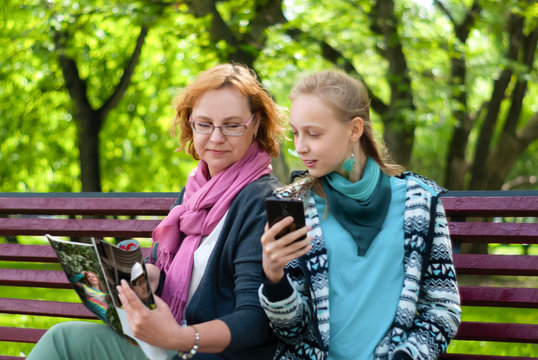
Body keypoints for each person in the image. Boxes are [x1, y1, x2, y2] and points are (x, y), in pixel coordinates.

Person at [27, 63, 285, 360]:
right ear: (190, 123)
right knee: (64, 337)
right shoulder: (194, 192)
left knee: (63, 342)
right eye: (204, 123)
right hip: (164, 345)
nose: (216, 137)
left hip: (204, 353)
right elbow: (177, 277)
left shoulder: (261, 200)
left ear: (254, 125)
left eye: (231, 125)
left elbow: (254, 321)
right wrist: (149, 278)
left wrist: (181, 337)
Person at [258, 70, 461, 360]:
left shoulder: (420, 203)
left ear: (354, 130)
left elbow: (442, 308)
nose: (300, 146)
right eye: (295, 132)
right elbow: (291, 332)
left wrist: (406, 356)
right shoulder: (294, 205)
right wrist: (274, 277)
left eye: (314, 133)